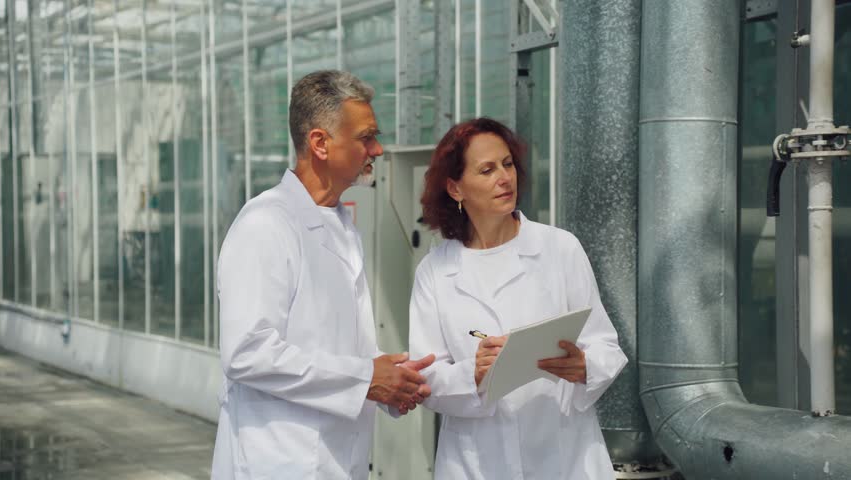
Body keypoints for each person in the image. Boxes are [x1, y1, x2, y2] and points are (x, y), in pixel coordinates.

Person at [211, 70, 434, 480]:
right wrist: (366, 378)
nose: (378, 150)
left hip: (337, 456)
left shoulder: (341, 225)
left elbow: (337, 348)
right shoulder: (265, 224)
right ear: (320, 143)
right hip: (277, 460)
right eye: (366, 138)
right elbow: (246, 353)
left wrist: (391, 379)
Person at [409, 117, 628, 479]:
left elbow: (605, 344)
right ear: (455, 188)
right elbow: (426, 377)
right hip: (476, 462)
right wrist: (473, 374)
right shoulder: (435, 272)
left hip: (563, 455)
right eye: (486, 169)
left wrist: (585, 366)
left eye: (507, 164)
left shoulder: (560, 249)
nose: (504, 178)